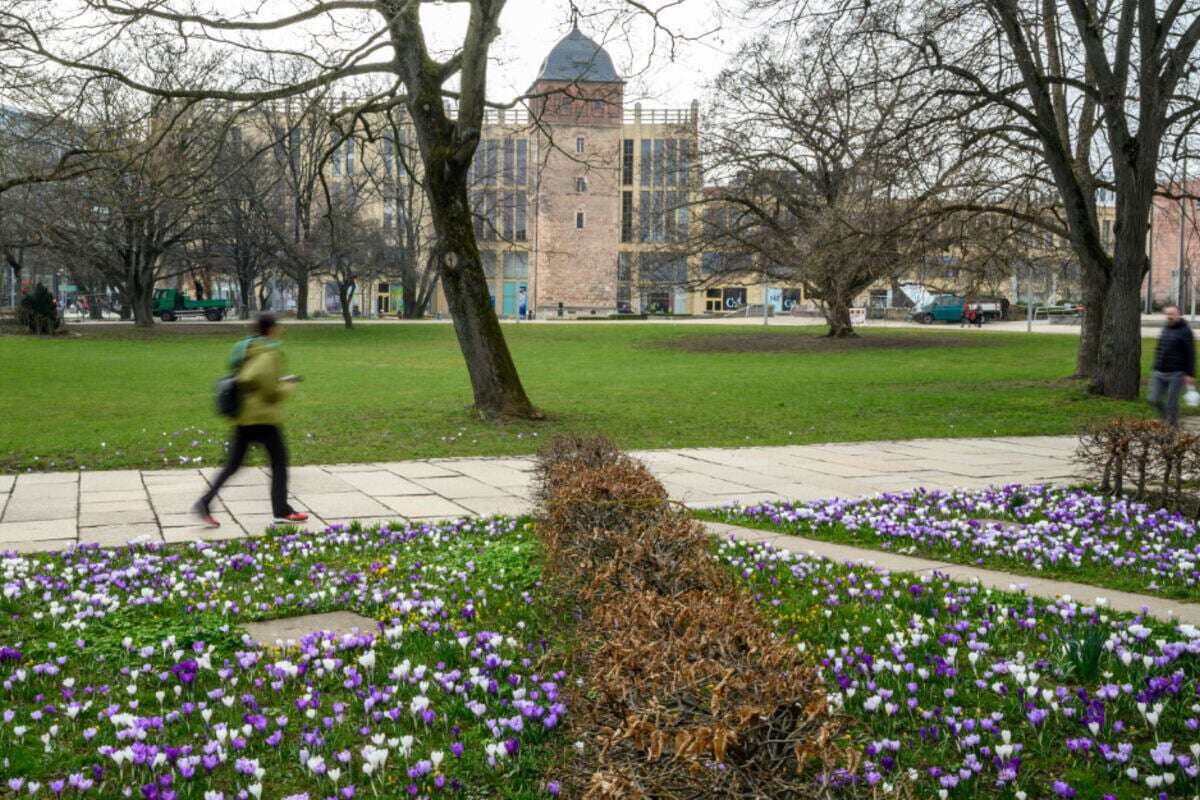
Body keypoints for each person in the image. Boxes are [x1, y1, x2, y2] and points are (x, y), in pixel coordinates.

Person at [193, 313, 308, 526]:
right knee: (279, 463)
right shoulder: (269, 352)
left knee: (233, 465)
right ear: (271, 329)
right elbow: (269, 391)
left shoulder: (247, 348)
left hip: (244, 416)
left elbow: (247, 377)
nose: (280, 330)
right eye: (278, 326)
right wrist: (289, 384)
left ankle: (205, 502)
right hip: (263, 419)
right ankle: (281, 511)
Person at [1149, 305, 1196, 428]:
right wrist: (1155, 365)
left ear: (1179, 314)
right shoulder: (1165, 328)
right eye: (1168, 314)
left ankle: (1173, 427)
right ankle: (1166, 419)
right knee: (1154, 399)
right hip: (1159, 371)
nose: (1169, 316)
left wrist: (1190, 374)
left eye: (1172, 314)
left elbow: (1190, 353)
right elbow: (1159, 348)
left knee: (1172, 402)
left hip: (1176, 373)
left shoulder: (1185, 331)